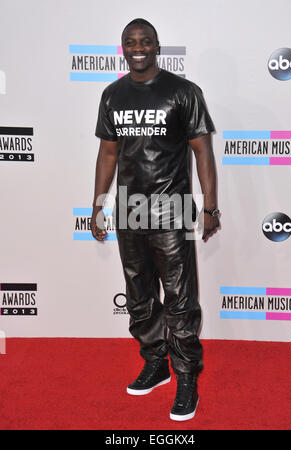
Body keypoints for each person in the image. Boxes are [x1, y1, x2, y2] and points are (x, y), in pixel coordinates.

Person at [91, 18, 220, 421]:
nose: (139, 47)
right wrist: (98, 204)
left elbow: (202, 152)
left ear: (158, 46)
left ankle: (185, 377)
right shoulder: (112, 95)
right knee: (140, 297)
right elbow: (109, 155)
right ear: (123, 49)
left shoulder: (183, 92)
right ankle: (156, 362)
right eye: (131, 42)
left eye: (145, 41)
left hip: (173, 208)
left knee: (180, 300)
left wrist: (210, 207)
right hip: (129, 208)